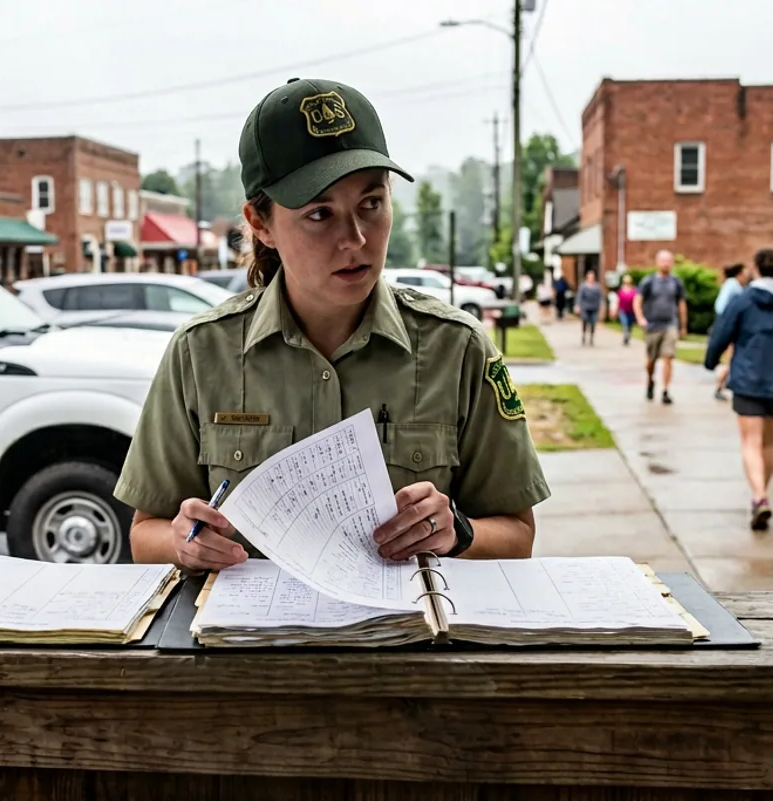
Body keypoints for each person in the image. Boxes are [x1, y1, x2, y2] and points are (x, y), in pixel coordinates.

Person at [114, 77, 550, 571]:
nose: (356, 238)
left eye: (371, 204)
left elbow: (517, 534)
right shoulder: (200, 354)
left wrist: (458, 530)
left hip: (411, 643)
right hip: (247, 644)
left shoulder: (457, 348)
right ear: (260, 223)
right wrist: (186, 543)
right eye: (320, 214)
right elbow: (145, 532)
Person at [703, 248, 773, 531]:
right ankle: (761, 495)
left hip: (748, 379)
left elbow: (722, 331)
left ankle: (759, 496)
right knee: (769, 443)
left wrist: (711, 360)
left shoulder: (743, 301)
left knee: (750, 443)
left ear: (755, 267)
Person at [635, 250, 687, 405]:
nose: (666, 264)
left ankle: (665, 390)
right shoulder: (649, 281)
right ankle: (650, 380)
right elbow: (637, 300)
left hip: (670, 324)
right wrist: (640, 318)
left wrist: (683, 325)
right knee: (651, 360)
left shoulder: (676, 282)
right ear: (657, 262)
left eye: (669, 261)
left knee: (668, 357)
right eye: (663, 261)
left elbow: (681, 304)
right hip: (652, 325)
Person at [712, 263, 749, 401]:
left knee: (733, 358)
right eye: (745, 273)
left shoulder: (734, 286)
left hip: (734, 327)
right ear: (739, 274)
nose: (746, 277)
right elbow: (721, 306)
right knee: (732, 358)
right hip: (733, 329)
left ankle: (723, 385)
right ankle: (720, 385)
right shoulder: (732, 285)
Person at [576, 270, 603, 346]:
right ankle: (584, 334)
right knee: (584, 320)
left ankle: (591, 337)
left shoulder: (597, 286)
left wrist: (601, 306)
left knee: (593, 322)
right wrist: (578, 306)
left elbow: (600, 297)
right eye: (590, 277)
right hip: (585, 307)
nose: (591, 278)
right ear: (587, 277)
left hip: (594, 307)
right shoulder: (583, 286)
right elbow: (579, 296)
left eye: (592, 277)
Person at [615, 273, 638, 345]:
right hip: (623, 310)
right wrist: (615, 310)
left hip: (631, 311)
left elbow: (637, 300)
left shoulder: (634, 290)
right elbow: (617, 301)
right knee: (625, 324)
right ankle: (626, 336)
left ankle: (628, 337)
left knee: (630, 325)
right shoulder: (620, 290)